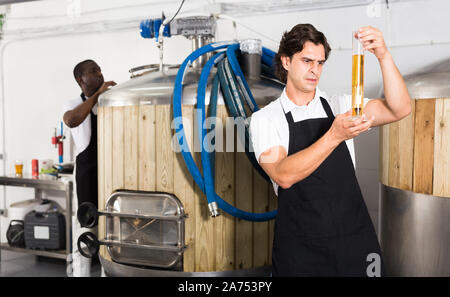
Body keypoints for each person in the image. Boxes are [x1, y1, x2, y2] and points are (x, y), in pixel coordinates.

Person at [249, 24, 411, 277]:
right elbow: (283, 175)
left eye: (320, 62)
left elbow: (399, 109)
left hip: (354, 243)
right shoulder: (266, 119)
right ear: (286, 61)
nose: (315, 69)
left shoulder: (342, 106)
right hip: (301, 251)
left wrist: (383, 55)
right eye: (306, 61)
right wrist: (334, 135)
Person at [62, 59, 116, 276]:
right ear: (80, 79)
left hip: (110, 174)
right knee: (86, 232)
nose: (100, 73)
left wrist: (106, 95)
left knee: (109, 233)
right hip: (87, 176)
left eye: (100, 69)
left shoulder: (108, 102)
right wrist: (97, 95)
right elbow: (72, 120)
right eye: (94, 71)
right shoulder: (73, 103)